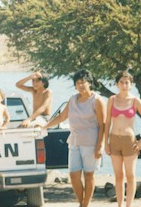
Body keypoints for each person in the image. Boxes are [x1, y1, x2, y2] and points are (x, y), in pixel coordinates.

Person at [40, 69, 105, 207]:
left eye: (83, 82)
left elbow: (102, 125)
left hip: (91, 143)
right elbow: (62, 117)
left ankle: (85, 204)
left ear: (90, 83)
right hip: (74, 141)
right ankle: (81, 203)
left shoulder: (97, 100)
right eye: (78, 83)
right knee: (74, 175)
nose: (81, 85)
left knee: (89, 175)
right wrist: (45, 126)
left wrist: (100, 146)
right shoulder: (73, 99)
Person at [104, 71, 141, 207]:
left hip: (130, 141)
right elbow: (107, 122)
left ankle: (129, 205)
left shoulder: (135, 100)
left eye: (127, 82)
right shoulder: (112, 100)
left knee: (130, 175)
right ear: (117, 84)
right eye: (121, 82)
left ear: (131, 84)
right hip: (114, 139)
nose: (124, 84)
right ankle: (120, 205)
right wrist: (106, 143)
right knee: (118, 175)